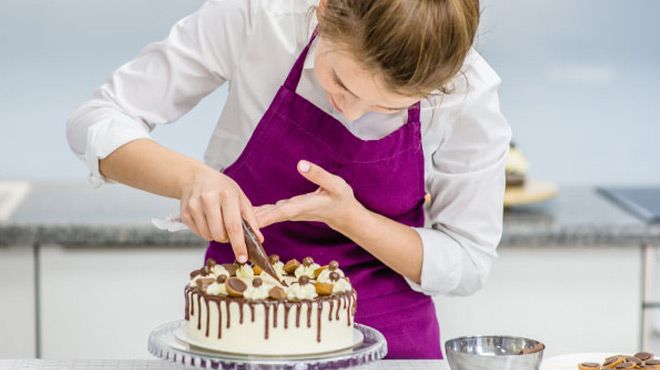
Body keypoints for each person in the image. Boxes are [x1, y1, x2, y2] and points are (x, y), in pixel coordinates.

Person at [66, 0, 511, 358]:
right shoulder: (260, 16)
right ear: (322, 9)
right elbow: (96, 120)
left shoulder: (469, 90)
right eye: (341, 82)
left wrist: (350, 218)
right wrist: (191, 178)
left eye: (389, 107)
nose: (351, 112)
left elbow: (470, 261)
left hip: (393, 348)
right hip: (240, 332)